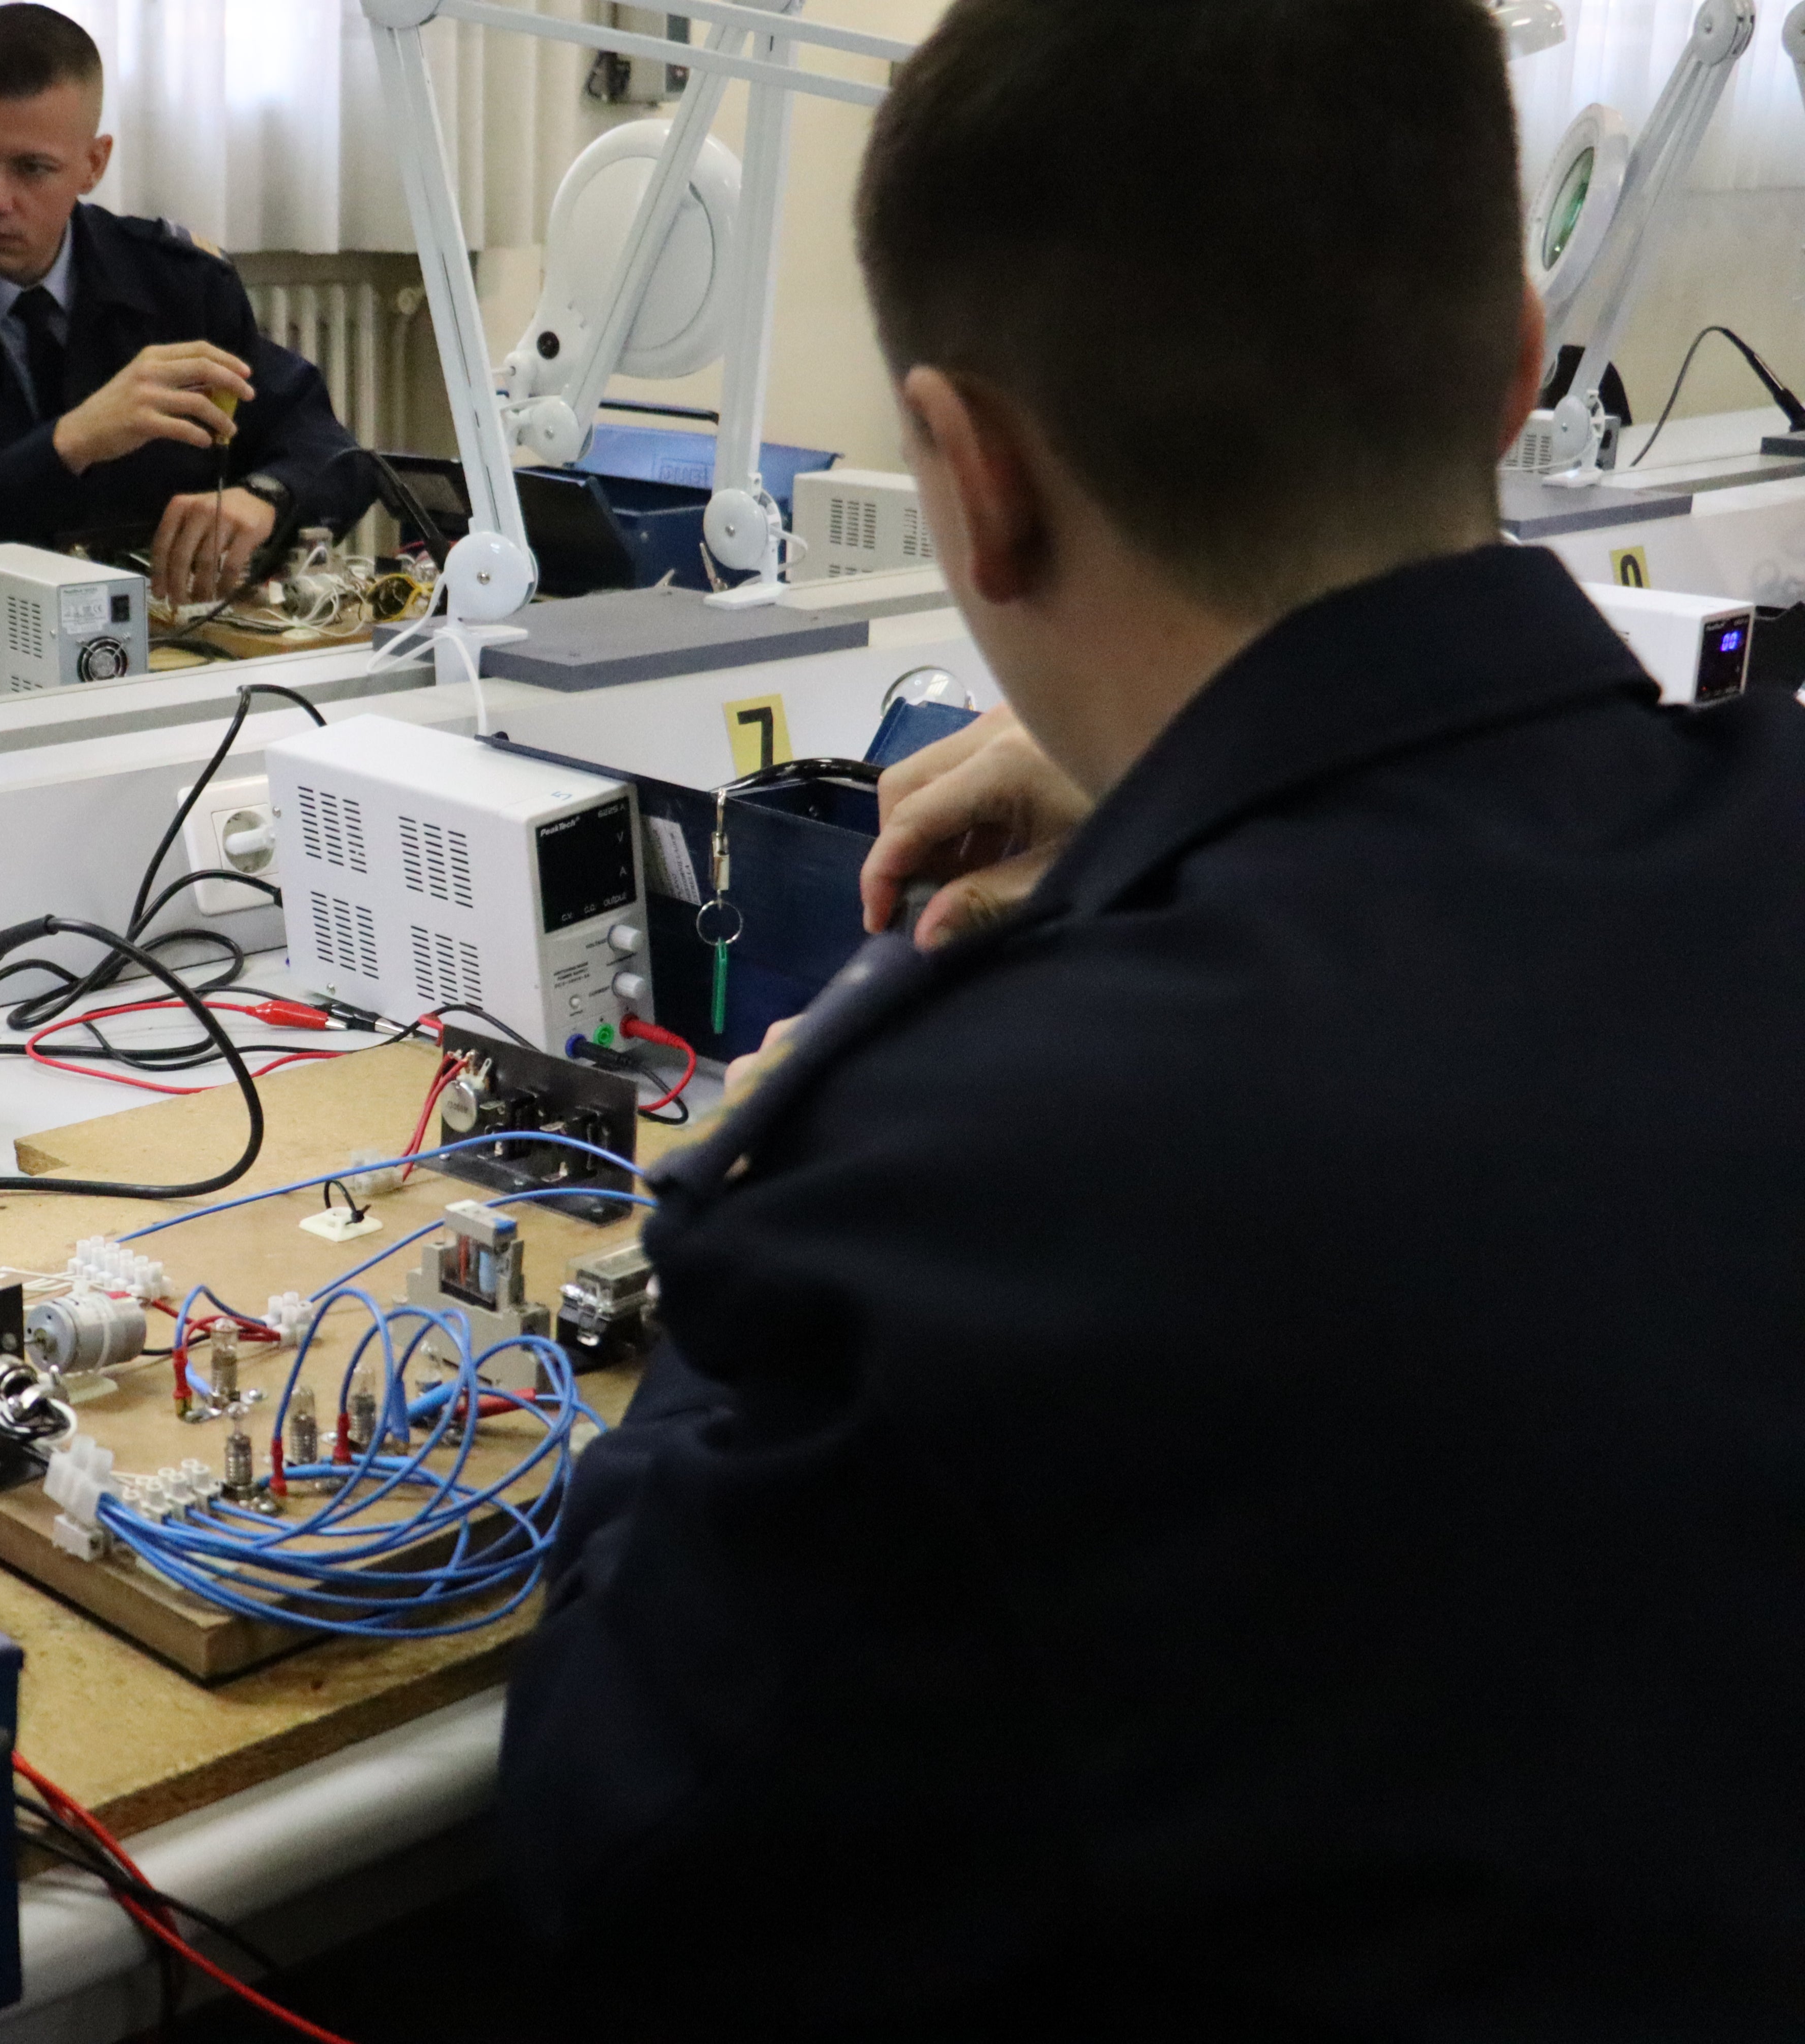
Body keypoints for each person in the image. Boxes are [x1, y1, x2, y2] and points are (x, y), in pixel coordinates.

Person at [498, 0, 1805, 2035]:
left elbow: (616, 1864)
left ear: (971, 474)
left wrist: (805, 1121)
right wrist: (1202, 798)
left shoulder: (962, 1189)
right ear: (1521, 362)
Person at [0, 5, 372, 608]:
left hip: (177, 648)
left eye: (33, 168)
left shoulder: (177, 287)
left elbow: (329, 448)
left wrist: (267, 495)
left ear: (94, 163)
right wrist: (69, 446)